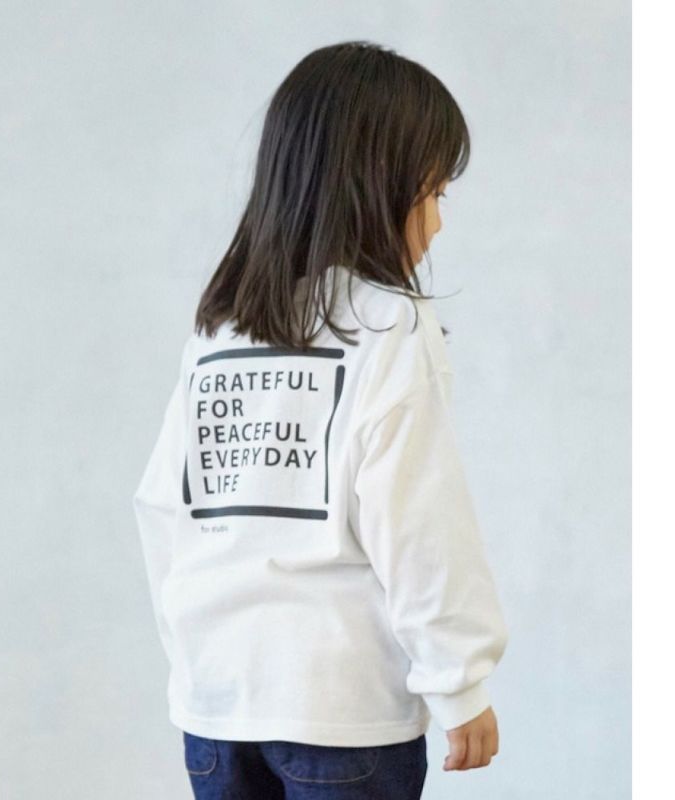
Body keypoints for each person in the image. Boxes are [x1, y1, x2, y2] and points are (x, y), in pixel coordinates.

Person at [133, 40, 508, 800]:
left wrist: (198, 655)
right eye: (433, 193)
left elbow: (163, 507)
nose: (438, 224)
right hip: (342, 712)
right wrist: (459, 679)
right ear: (376, 188)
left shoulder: (219, 330)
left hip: (215, 708)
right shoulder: (388, 326)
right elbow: (420, 522)